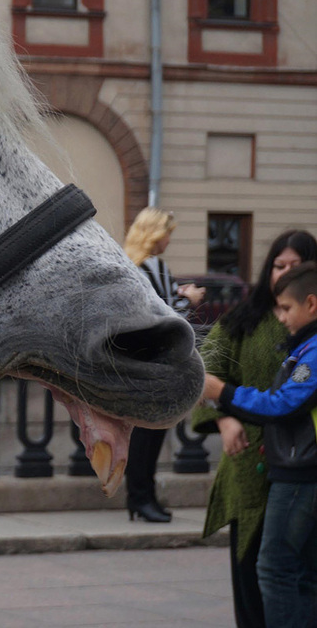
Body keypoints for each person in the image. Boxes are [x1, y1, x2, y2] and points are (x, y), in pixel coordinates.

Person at [193, 229, 317, 628]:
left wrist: (226, 395)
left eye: (295, 267)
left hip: (298, 467)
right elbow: (202, 370)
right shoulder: (242, 318)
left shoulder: (309, 337)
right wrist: (224, 420)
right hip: (249, 464)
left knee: (287, 572)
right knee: (254, 573)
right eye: (279, 266)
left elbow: (284, 403)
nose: (284, 273)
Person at [123, 207, 205, 523]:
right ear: (155, 234)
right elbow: (168, 314)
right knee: (148, 435)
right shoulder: (150, 266)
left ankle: (141, 498)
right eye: (168, 232)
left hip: (143, 363)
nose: (170, 239)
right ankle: (142, 499)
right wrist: (191, 298)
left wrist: (180, 295)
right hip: (154, 365)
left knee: (145, 436)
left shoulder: (137, 265)